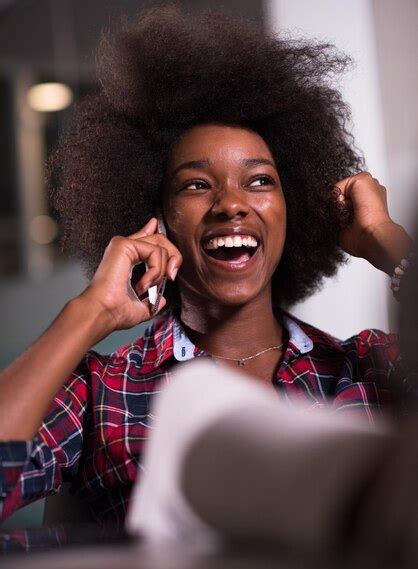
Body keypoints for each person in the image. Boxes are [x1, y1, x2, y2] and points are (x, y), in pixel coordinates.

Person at [0, 5, 413, 526]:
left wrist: (389, 243)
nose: (230, 204)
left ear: (296, 207)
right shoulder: (101, 393)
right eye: (197, 184)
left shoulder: (372, 368)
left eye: (259, 180)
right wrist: (91, 311)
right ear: (157, 216)